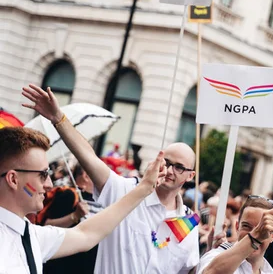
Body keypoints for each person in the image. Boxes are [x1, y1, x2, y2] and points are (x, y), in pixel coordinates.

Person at [22, 84, 200, 274]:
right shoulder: (126, 191)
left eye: (179, 167)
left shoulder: (189, 221)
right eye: (166, 162)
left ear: (190, 176)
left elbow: (188, 270)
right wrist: (58, 119)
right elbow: (89, 158)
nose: (170, 170)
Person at [0, 126, 166, 273]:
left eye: (49, 174)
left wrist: (144, 189)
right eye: (43, 175)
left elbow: (86, 234)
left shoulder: (30, 235)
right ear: (13, 179)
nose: (50, 184)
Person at [198, 195, 273, 274]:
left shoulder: (269, 271)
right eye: (246, 226)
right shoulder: (216, 256)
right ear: (237, 227)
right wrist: (255, 237)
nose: (254, 233)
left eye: (263, 229)